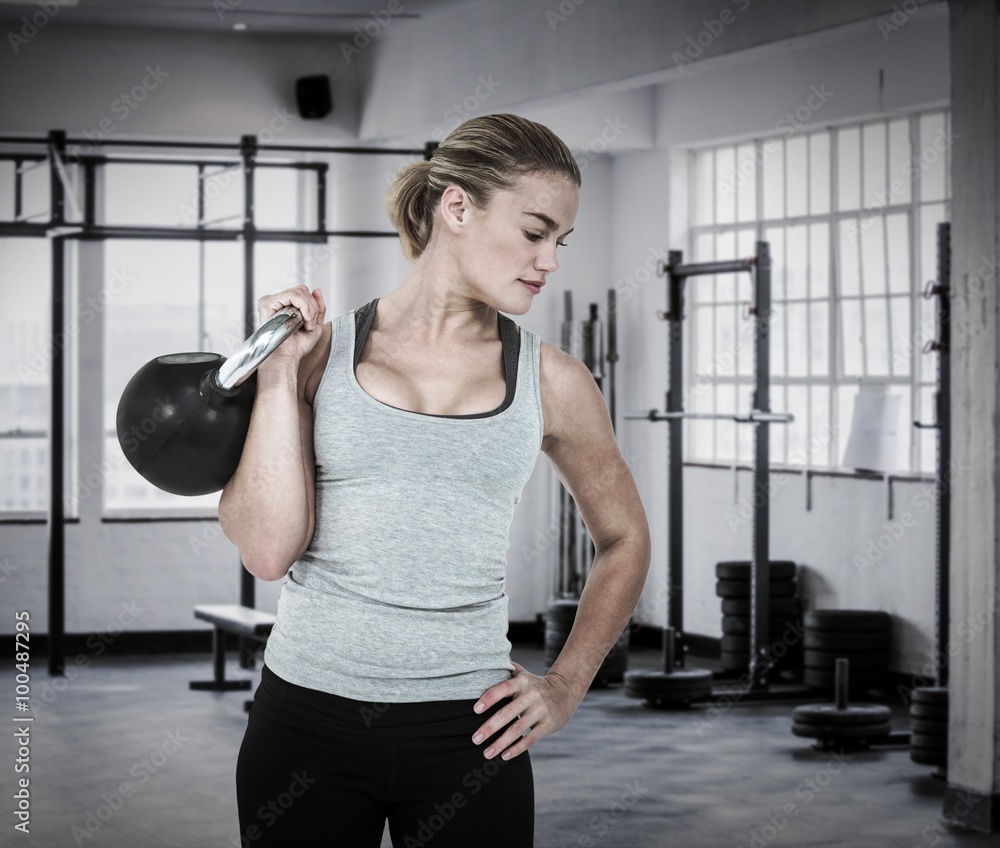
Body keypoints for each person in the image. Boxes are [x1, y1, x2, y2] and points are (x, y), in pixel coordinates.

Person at [222, 113, 651, 847]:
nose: (549, 261)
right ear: (457, 208)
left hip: (474, 733)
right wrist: (276, 381)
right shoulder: (318, 355)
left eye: (561, 242)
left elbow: (624, 538)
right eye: (535, 231)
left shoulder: (553, 380)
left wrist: (566, 685)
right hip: (307, 722)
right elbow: (266, 552)